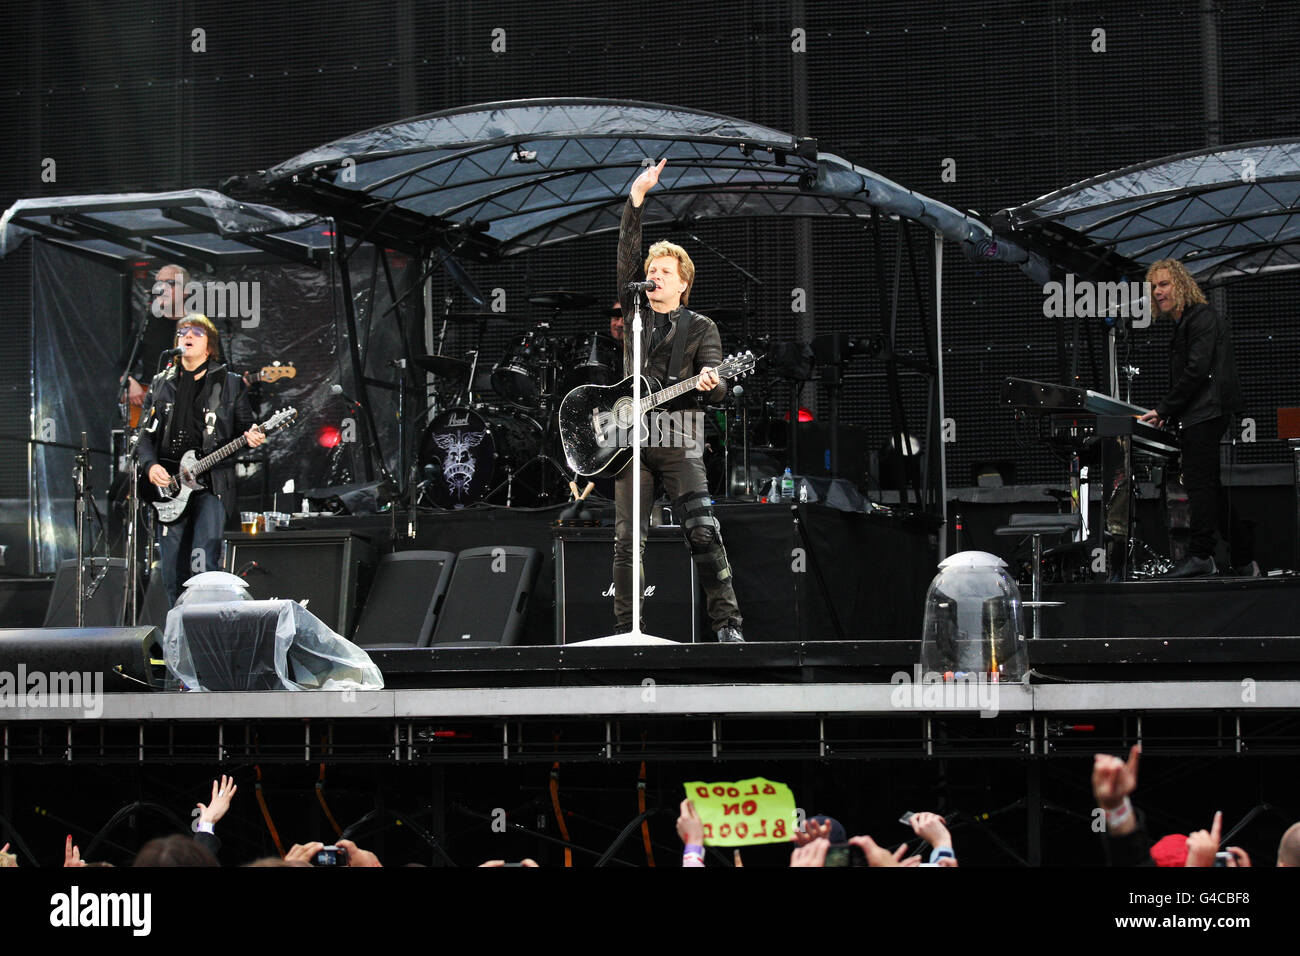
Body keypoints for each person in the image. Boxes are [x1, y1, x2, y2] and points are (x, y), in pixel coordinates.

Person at [613, 158, 743, 643]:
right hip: (632, 440)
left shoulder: (701, 327)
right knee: (628, 542)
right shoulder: (635, 313)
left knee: (702, 530)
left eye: (665, 271)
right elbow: (626, 254)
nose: (655, 277)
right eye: (652, 271)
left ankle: (727, 626)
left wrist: (715, 383)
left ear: (683, 283)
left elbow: (721, 383)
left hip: (681, 434)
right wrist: (636, 199)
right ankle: (627, 631)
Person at [137, 314, 265, 607]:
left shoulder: (229, 384)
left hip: (211, 484)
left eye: (197, 332)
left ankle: (205, 630)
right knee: (171, 570)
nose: (188, 335)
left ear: (209, 347)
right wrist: (151, 466)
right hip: (170, 487)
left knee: (204, 561)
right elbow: (142, 436)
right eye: (183, 331)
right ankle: (178, 633)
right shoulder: (160, 384)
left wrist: (254, 436)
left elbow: (246, 429)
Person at [1137, 258, 1243, 578]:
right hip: (1198, 413)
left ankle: (1201, 556)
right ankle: (1245, 555)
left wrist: (1164, 409)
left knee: (1199, 486)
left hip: (1207, 413)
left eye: (1164, 284)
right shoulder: (1185, 324)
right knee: (1209, 488)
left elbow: (1197, 371)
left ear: (1182, 284)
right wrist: (1169, 413)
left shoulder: (1203, 317)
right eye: (1153, 286)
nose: (1157, 292)